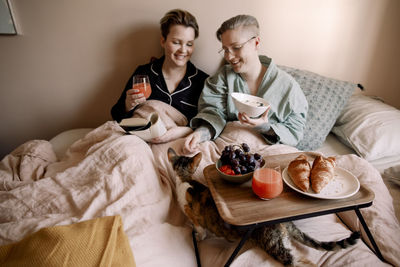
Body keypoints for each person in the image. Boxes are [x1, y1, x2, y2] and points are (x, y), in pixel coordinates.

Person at [183, 14, 308, 153]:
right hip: (228, 149)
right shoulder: (222, 78)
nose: (229, 56)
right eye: (225, 49)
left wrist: (265, 127)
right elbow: (212, 113)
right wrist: (200, 134)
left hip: (268, 151)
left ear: (256, 43)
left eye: (236, 47)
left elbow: (295, 131)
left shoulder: (288, 87)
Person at [111, 9, 208, 143]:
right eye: (176, 42)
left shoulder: (203, 81)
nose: (183, 50)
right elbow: (117, 117)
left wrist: (183, 130)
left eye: (189, 44)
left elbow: (207, 123)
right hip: (141, 143)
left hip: (180, 144)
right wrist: (128, 105)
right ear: (163, 41)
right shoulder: (144, 73)